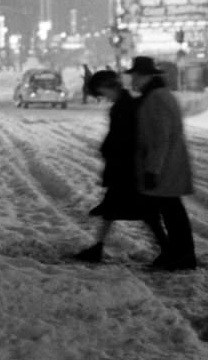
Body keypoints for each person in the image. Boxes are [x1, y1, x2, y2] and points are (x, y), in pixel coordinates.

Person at [73, 70, 168, 263]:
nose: (103, 97)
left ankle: (167, 248)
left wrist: (109, 151)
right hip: (127, 167)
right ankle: (97, 248)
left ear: (107, 87)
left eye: (101, 92)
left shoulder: (124, 107)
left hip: (127, 168)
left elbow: (125, 139)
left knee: (144, 211)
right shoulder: (127, 104)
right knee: (119, 209)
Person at [128, 56, 198, 271]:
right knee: (171, 210)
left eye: (135, 77)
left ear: (145, 76)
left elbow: (161, 137)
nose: (133, 82)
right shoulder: (158, 94)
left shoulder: (156, 98)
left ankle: (182, 255)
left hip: (165, 166)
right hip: (168, 164)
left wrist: (152, 169)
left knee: (171, 211)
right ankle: (177, 253)